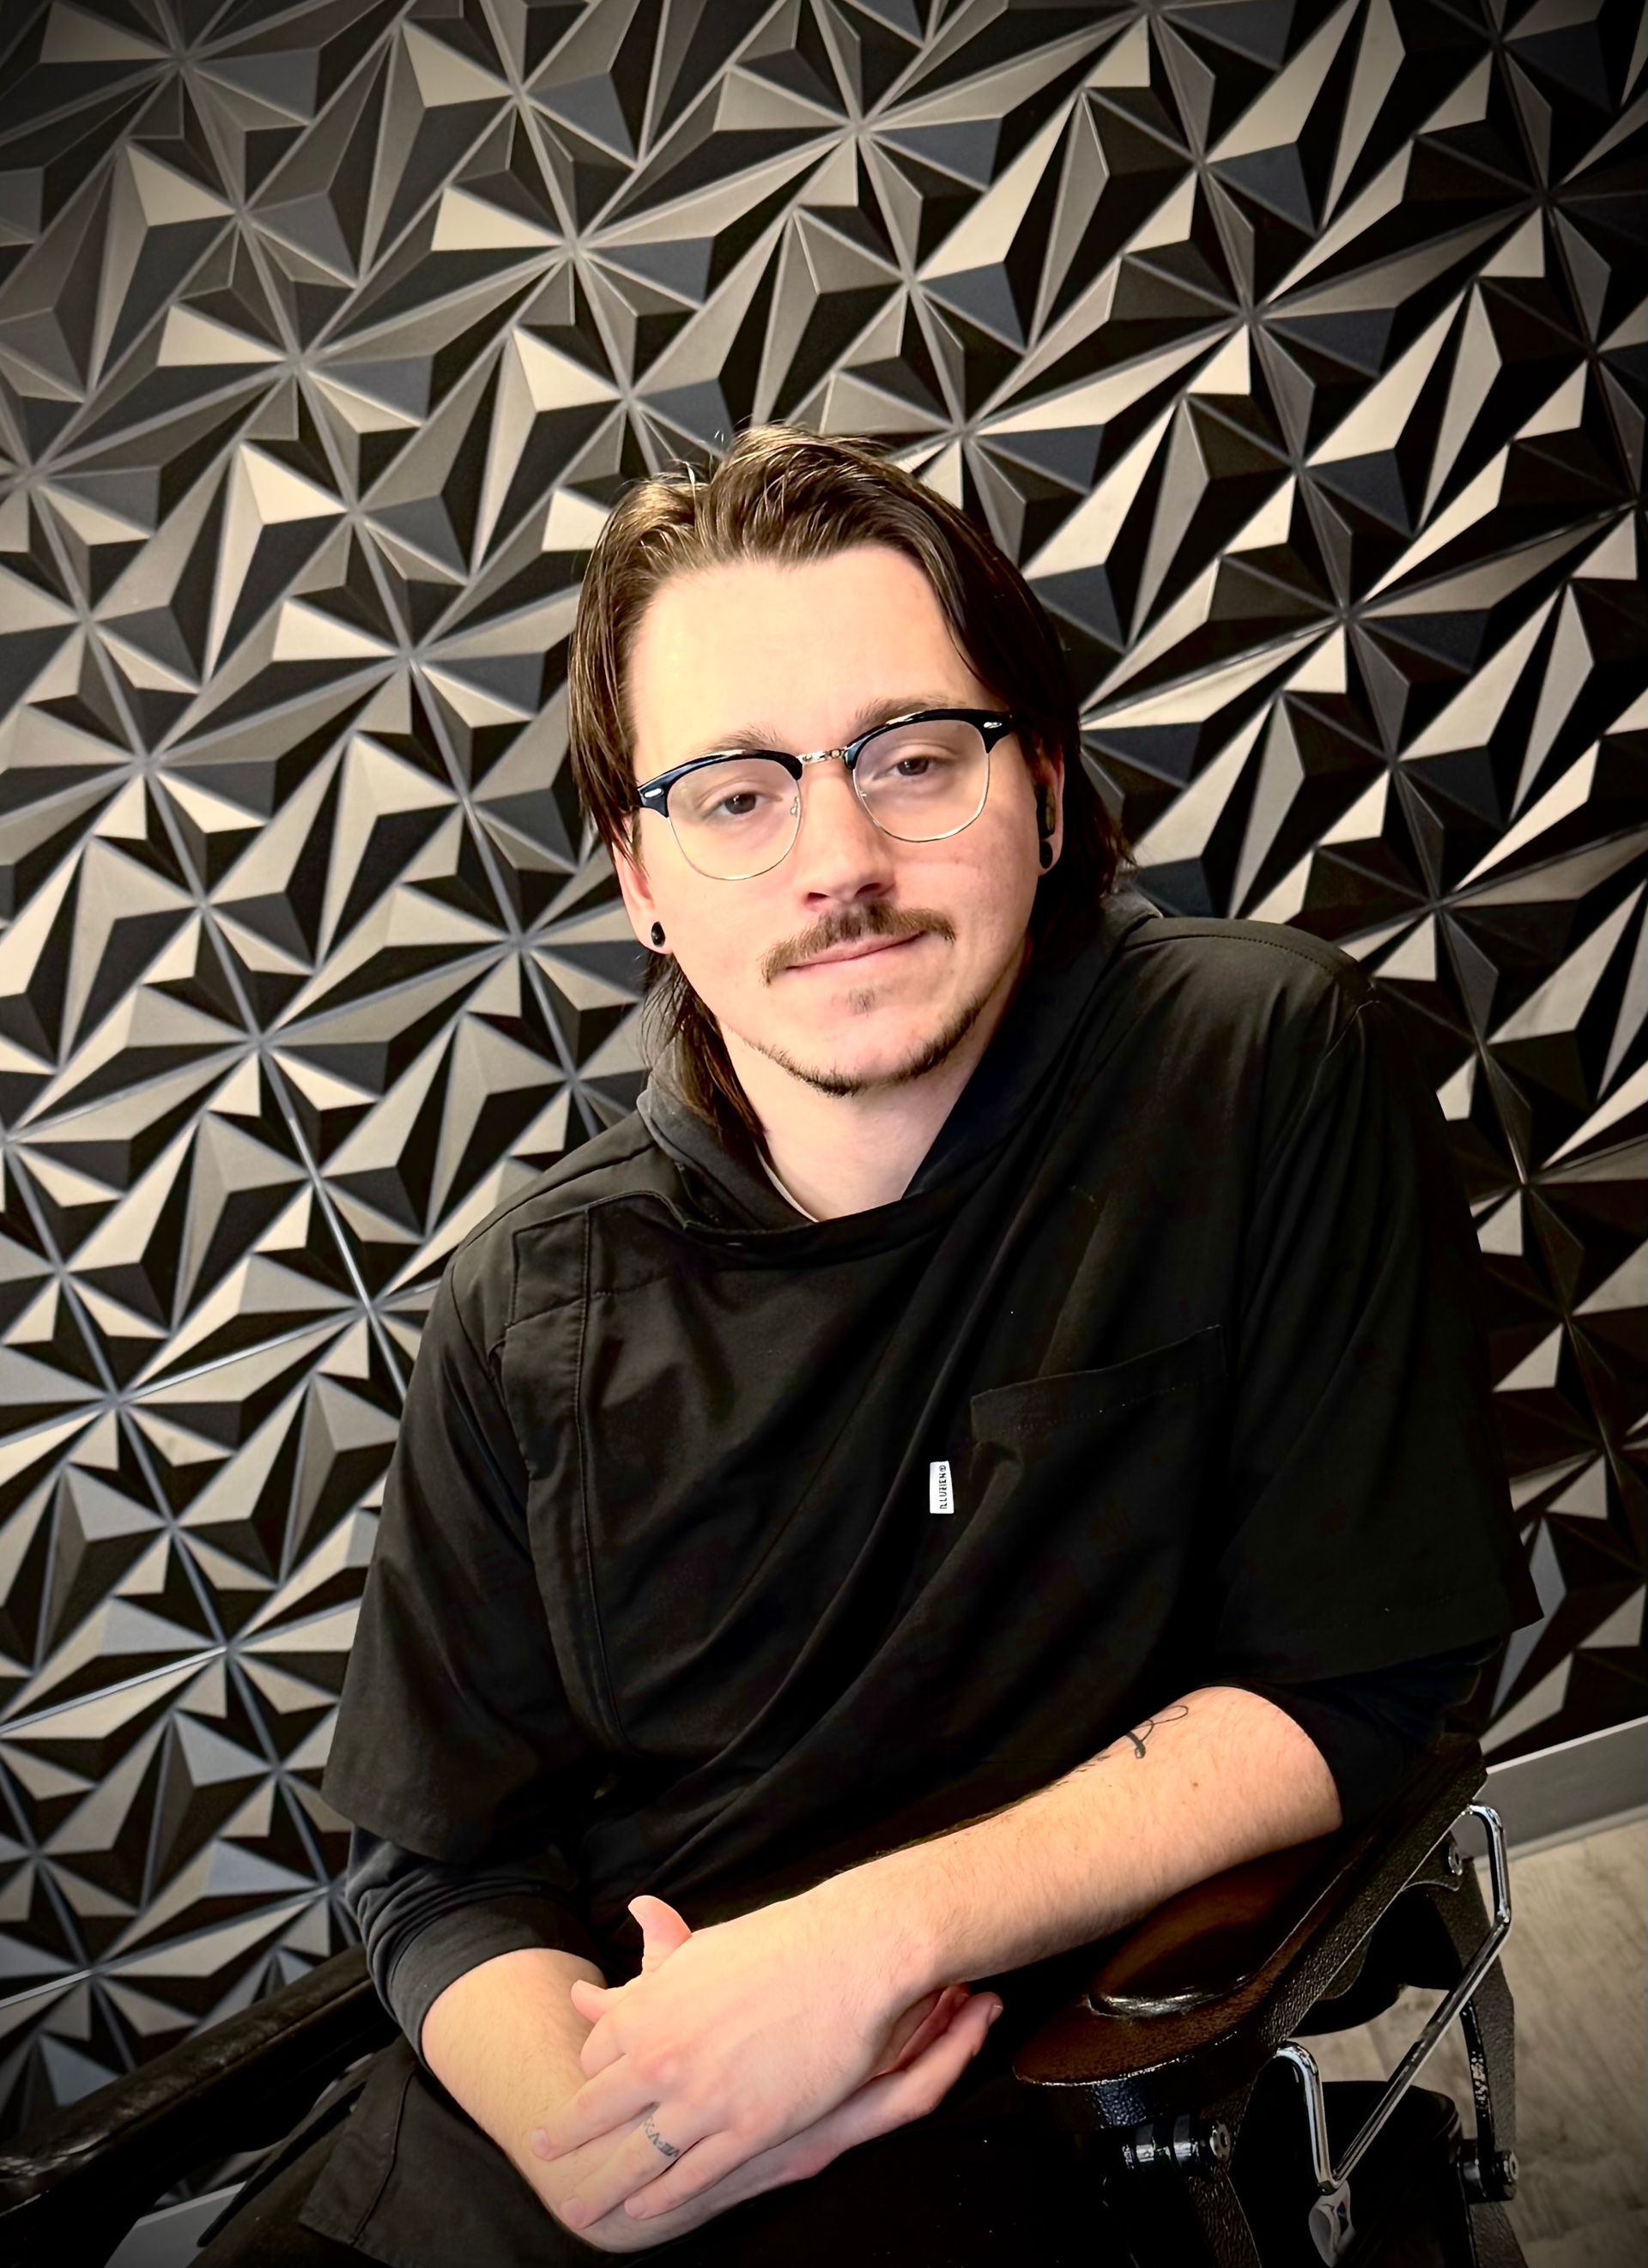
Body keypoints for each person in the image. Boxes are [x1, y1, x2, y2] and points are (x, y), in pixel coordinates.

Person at [192, 426, 1541, 2266]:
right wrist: (599, 2136)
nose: (838, 860)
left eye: (911, 758)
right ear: (639, 873)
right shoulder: (527, 1300)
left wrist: (866, 1941)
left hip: (999, 2094)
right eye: (735, 794)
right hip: (584, 2093)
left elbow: (1367, 1677)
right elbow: (444, 1857)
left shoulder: (1257, 1068)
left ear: (1044, 788)